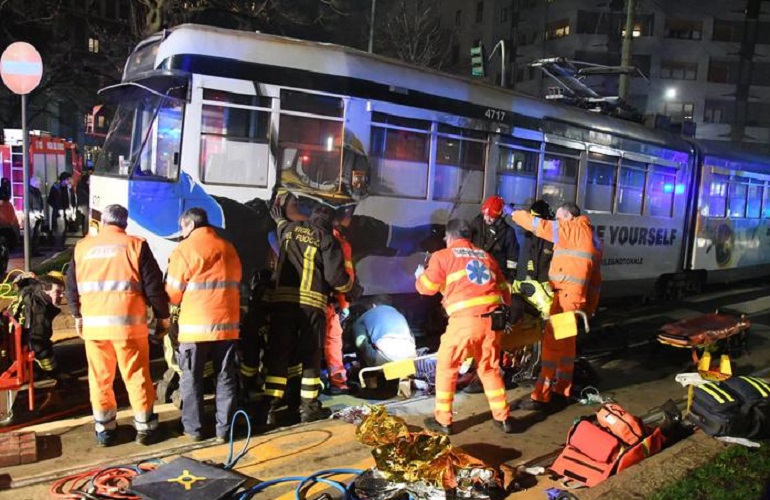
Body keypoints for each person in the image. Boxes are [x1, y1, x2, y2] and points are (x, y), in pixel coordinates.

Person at [65, 204, 170, 447]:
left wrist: (77, 315)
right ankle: (145, 427)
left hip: (94, 328)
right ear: (125, 224)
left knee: (100, 378)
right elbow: (154, 287)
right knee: (136, 375)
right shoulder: (135, 245)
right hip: (128, 327)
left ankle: (105, 429)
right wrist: (162, 316)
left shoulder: (83, 247)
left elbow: (71, 287)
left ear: (103, 222)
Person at [264, 200, 360, 425]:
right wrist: (351, 288)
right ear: (329, 222)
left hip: (282, 303)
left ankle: (270, 407)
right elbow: (335, 279)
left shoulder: (289, 230)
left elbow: (281, 227)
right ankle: (308, 408)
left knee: (280, 352)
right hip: (311, 306)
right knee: (310, 355)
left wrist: (279, 218)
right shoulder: (327, 238)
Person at [415, 218, 514, 435]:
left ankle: (444, 421)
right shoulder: (486, 256)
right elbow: (506, 293)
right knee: (489, 369)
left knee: (447, 367)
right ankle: (503, 418)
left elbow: (427, 288)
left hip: (464, 323)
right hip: (492, 323)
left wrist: (420, 276)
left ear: (449, 237)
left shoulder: (443, 256)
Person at [507, 201, 602, 412]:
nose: (557, 222)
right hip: (573, 298)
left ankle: (541, 396)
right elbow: (595, 280)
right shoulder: (592, 237)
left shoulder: (571, 229)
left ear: (568, 216)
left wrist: (514, 213)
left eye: (559, 218)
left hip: (565, 298)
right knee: (566, 347)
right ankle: (562, 391)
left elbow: (538, 225)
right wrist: (590, 307)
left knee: (550, 346)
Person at [166, 207, 242, 443]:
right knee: (225, 377)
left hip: (194, 328)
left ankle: (194, 429)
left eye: (182, 227)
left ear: (190, 224)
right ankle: (224, 430)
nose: (181, 232)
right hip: (227, 326)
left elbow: (173, 293)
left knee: (191, 378)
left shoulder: (184, 249)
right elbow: (237, 280)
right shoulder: (228, 247)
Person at [7, 273, 68, 382]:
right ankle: (36, 372)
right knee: (42, 349)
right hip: (17, 351)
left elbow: (24, 283)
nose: (61, 296)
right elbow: (39, 345)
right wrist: (55, 372)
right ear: (45, 290)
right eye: (57, 292)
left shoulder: (31, 290)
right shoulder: (39, 313)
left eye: (62, 292)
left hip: (11, 341)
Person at [505, 199, 555, 318]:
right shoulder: (524, 233)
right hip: (528, 284)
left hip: (542, 285)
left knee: (548, 313)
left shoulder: (552, 235)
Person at [325, 220, 356, 394]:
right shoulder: (341, 244)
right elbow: (344, 278)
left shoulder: (308, 236)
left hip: (304, 300)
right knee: (333, 339)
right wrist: (344, 306)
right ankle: (338, 382)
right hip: (329, 302)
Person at [351, 295, 416, 368]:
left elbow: (359, 341)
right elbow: (411, 335)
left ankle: (365, 370)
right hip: (409, 357)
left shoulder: (367, 314)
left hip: (383, 359)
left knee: (364, 347)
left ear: (373, 305)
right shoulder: (399, 314)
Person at [470, 195, 519, 282]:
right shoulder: (476, 224)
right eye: (486, 215)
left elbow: (512, 258)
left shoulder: (508, 232)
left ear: (499, 216)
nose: (487, 219)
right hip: (476, 271)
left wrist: (510, 278)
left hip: (496, 274)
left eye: (491, 217)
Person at [48, 172, 75, 250]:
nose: (69, 181)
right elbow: (50, 200)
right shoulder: (56, 188)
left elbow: (70, 199)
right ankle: (58, 246)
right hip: (59, 213)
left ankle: (62, 245)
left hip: (65, 212)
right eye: (68, 179)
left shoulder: (67, 188)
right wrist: (58, 209)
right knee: (60, 229)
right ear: (64, 180)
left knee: (64, 229)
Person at [29, 177, 45, 255]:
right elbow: (27, 205)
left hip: (38, 215)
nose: (40, 184)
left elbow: (40, 202)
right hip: (32, 217)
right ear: (34, 183)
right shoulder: (29, 192)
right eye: (38, 183)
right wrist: (33, 214)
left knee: (36, 234)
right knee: (31, 235)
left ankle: (35, 251)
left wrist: (41, 211)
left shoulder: (37, 191)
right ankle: (29, 252)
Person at [76, 166, 93, 237]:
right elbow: (82, 193)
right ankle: (85, 234)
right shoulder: (83, 181)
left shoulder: (82, 181)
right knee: (86, 219)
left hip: (84, 203)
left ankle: (85, 233)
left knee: (85, 219)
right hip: (85, 203)